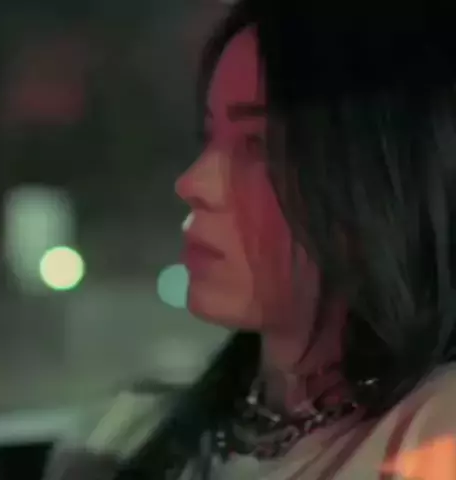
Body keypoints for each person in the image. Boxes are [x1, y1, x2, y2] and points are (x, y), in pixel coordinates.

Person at [44, 1, 456, 479]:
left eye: (259, 147)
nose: (193, 183)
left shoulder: (430, 435)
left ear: (389, 182)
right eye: (209, 138)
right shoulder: (120, 431)